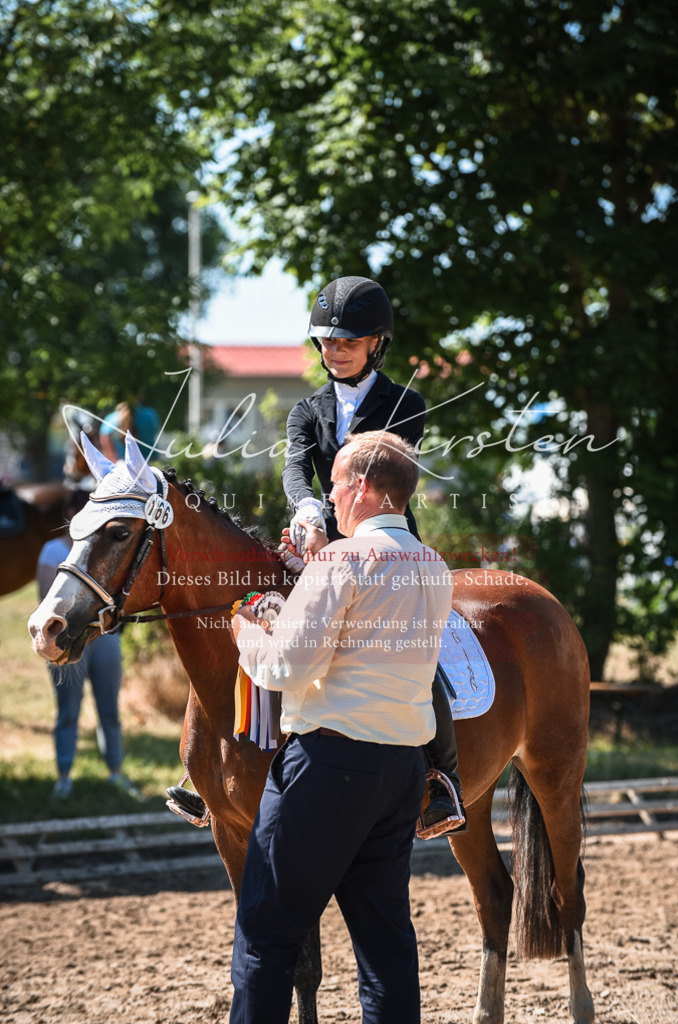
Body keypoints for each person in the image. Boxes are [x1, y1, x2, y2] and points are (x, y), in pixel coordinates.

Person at [169, 276, 466, 834]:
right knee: (253, 611)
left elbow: (373, 471)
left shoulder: (406, 403)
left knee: (428, 655)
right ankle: (210, 768)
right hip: (316, 539)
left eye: (347, 343)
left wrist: (331, 536)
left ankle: (438, 779)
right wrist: (306, 511)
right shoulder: (306, 408)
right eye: (326, 342)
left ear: (377, 344)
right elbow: (293, 468)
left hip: (385, 545)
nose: (333, 352)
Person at [229, 431, 454, 1024]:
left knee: (265, 933)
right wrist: (318, 566)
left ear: (360, 486)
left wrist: (245, 628)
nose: (329, 497)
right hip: (402, 770)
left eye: (334, 485)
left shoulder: (341, 560)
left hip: (327, 768)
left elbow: (283, 668)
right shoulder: (433, 566)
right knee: (385, 946)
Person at [36, 490, 139, 799]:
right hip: (68, 642)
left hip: (104, 638)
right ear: (69, 514)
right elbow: (44, 601)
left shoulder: (102, 550)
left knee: (110, 710)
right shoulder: (52, 551)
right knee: (68, 710)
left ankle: (116, 773)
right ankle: (64, 777)